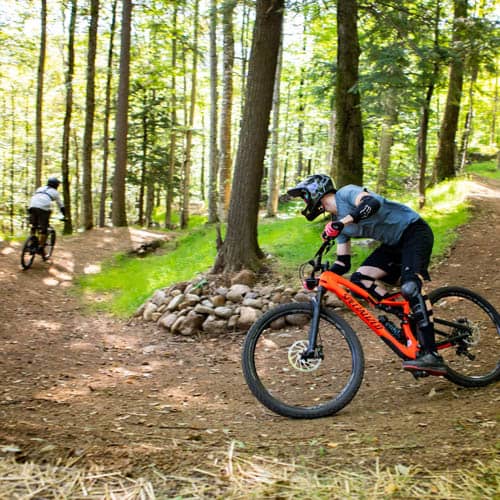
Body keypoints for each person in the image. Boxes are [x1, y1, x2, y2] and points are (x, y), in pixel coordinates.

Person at [288, 173, 447, 376]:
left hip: (414, 232)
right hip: (393, 245)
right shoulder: (339, 223)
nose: (304, 202)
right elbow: (343, 263)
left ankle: (432, 354)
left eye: (304, 196)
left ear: (315, 192)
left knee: (410, 287)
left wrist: (342, 222)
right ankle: (406, 317)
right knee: (360, 279)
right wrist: (321, 278)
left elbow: (372, 203)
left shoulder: (345, 194)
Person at [28, 177, 65, 254]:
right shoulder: (55, 192)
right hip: (43, 208)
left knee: (34, 226)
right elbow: (61, 205)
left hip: (32, 206)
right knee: (43, 229)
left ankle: (32, 242)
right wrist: (64, 215)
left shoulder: (40, 188)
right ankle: (41, 248)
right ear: (56, 185)